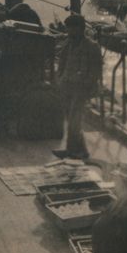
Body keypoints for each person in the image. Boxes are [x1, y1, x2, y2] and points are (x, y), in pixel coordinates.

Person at [53, 14, 102, 159]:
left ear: (81, 29)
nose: (69, 32)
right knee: (70, 119)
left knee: (75, 120)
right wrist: (60, 79)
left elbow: (96, 70)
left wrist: (88, 86)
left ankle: (73, 151)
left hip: (81, 88)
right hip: (67, 86)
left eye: (72, 29)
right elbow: (62, 64)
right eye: (68, 29)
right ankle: (79, 150)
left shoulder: (92, 47)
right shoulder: (68, 45)